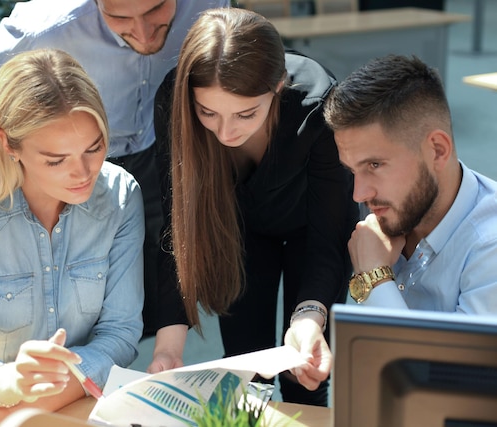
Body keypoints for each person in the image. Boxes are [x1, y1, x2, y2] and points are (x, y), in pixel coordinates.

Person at [0, 0, 229, 337]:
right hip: (82, 159)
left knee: (154, 278)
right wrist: (33, 155)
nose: (143, 32)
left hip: (160, 148)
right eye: (119, 17)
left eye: (156, 11)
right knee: (77, 290)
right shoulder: (47, 22)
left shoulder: (208, 4)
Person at [150, 8, 358, 406]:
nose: (226, 132)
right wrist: (168, 346)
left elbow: (330, 234)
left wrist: (309, 317)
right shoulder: (174, 99)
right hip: (235, 230)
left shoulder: (318, 103)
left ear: (278, 86)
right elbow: (178, 223)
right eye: (207, 112)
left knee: (305, 374)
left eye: (246, 114)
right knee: (246, 372)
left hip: (310, 229)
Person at [0, 49, 144, 419]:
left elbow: (120, 335)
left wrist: (30, 407)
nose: (84, 172)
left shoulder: (120, 197)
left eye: (95, 148)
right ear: (8, 144)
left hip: (79, 409)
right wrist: (12, 383)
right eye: (56, 160)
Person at [323, 54, 497, 313]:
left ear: (437, 150)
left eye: (375, 165)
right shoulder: (389, 214)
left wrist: (374, 277)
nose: (359, 195)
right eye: (352, 170)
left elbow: (445, 356)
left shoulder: (489, 247)